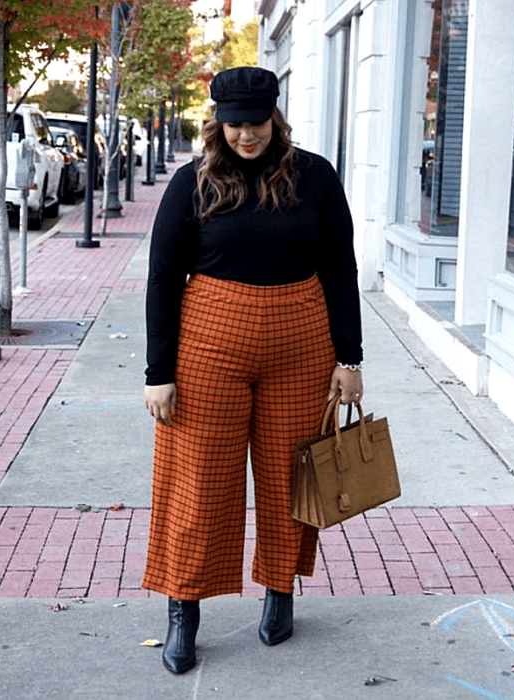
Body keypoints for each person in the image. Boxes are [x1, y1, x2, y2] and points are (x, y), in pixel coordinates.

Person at [143, 66, 363, 674]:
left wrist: (350, 358)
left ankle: (280, 590)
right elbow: (163, 277)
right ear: (219, 122)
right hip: (209, 344)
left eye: (256, 122)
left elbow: (341, 269)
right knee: (198, 480)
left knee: (289, 476)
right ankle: (183, 609)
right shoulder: (193, 181)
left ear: (275, 118)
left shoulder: (314, 176)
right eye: (234, 123)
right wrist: (158, 371)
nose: (246, 135)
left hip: (301, 342)